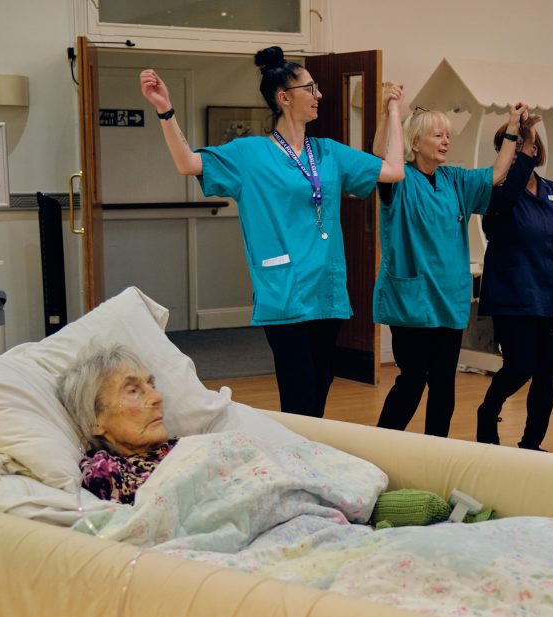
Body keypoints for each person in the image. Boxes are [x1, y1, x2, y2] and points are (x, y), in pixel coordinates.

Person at [140, 47, 405, 418]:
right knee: (299, 397)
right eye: (310, 89)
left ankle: (307, 451)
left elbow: (394, 171)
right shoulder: (249, 154)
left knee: (319, 392)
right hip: (284, 291)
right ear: (284, 97)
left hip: (327, 291)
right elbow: (187, 163)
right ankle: (296, 453)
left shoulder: (328, 152)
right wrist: (165, 109)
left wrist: (393, 111)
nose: (319, 95)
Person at [370, 93, 529, 437]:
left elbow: (497, 173)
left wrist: (513, 128)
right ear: (415, 143)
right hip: (412, 302)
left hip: (448, 298)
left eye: (447, 135)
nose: (446, 141)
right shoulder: (398, 179)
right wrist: (389, 110)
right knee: (412, 380)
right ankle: (381, 444)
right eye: (437, 135)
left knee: (444, 383)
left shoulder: (454, 179)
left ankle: (437, 451)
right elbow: (381, 156)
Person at [475, 123, 553, 450]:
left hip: (552, 292)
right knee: (520, 367)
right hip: (513, 292)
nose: (522, 151)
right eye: (512, 145)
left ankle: (532, 445)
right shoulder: (497, 190)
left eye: (529, 146)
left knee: (548, 373)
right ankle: (488, 410)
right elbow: (502, 228)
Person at [57, 344, 175, 504]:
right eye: (133, 391)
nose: (157, 397)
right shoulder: (107, 472)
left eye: (152, 385)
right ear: (95, 421)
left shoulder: (177, 446)